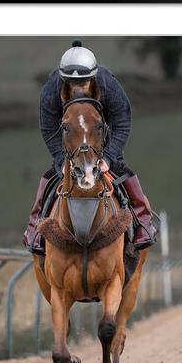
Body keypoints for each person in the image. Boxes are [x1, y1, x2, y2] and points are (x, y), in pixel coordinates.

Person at [22, 40, 158, 254]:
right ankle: (34, 230)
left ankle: (143, 222)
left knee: (124, 172)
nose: (79, 87)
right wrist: (60, 160)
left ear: (93, 76)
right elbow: (48, 128)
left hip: (100, 140)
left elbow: (122, 120)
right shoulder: (51, 90)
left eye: (84, 82)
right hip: (71, 144)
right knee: (49, 178)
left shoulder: (107, 84)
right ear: (63, 79)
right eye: (72, 82)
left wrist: (110, 156)